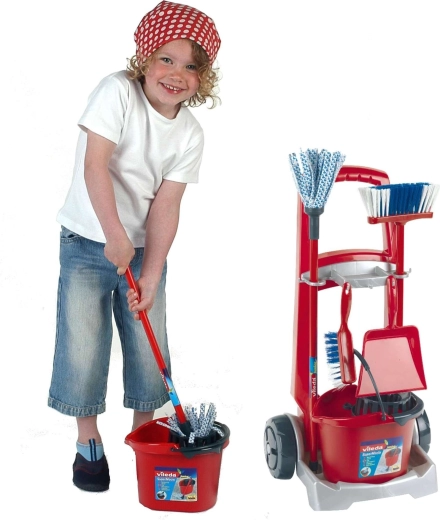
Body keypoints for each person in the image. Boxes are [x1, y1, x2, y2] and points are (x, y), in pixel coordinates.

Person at [48, 1, 221, 493]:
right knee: (84, 340)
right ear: (144, 58)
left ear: (203, 78)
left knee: (148, 343)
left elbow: (167, 205)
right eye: (166, 59)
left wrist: (151, 271)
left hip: (143, 251)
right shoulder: (116, 92)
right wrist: (115, 236)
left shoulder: (190, 134)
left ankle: (143, 433)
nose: (177, 74)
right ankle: (88, 440)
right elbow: (95, 165)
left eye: (191, 66)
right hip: (87, 239)